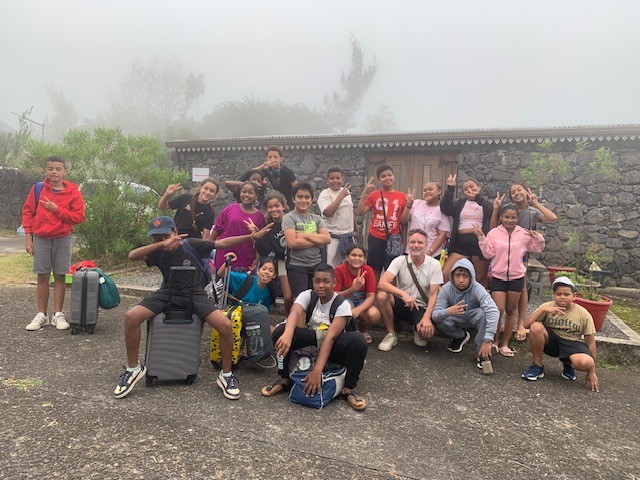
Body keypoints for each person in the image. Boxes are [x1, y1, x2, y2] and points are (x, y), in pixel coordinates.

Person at [112, 216, 272, 400]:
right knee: (131, 316)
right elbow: (132, 255)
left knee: (225, 325)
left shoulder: (191, 244)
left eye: (166, 236)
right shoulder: (157, 251)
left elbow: (222, 243)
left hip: (195, 294)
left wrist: (251, 237)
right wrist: (161, 244)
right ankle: (134, 369)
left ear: (175, 232)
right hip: (168, 292)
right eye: (157, 238)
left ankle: (226, 375)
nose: (163, 241)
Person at [260, 264, 368, 411]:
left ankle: (348, 389)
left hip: (334, 346)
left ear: (334, 283)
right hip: (312, 342)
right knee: (280, 331)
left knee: (358, 340)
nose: (321, 285)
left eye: (326, 281)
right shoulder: (308, 295)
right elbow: (294, 312)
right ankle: (285, 380)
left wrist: (317, 371)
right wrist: (288, 333)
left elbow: (330, 338)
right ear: (313, 282)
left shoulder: (342, 304)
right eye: (317, 281)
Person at [23, 155, 85, 331]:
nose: (54, 172)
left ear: (65, 171)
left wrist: (56, 209)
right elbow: (27, 212)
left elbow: (79, 217)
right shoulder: (38, 189)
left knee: (60, 276)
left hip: (62, 238)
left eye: (58, 169)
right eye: (50, 168)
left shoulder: (73, 192)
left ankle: (58, 314)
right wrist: (28, 238)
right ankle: (41, 315)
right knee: (42, 275)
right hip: (41, 238)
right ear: (46, 170)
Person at [474, 204, 545, 357]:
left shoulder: (523, 233)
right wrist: (481, 237)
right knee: (498, 310)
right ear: (501, 217)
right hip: (498, 276)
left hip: (516, 277)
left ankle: (505, 344)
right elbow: (487, 254)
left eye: (513, 217)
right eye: (507, 217)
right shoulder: (494, 233)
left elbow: (537, 248)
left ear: (517, 218)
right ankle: (494, 341)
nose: (510, 220)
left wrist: (537, 237)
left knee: (511, 310)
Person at [490, 183, 558, 341]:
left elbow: (552, 217)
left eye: (519, 190)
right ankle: (503, 324)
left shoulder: (532, 212)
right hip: (505, 251)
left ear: (527, 192)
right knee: (506, 295)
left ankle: (520, 322)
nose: (516, 193)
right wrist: (496, 209)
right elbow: (493, 228)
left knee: (521, 286)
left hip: (522, 251)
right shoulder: (509, 210)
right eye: (513, 192)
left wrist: (536, 203)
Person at [521, 276, 600, 393]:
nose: (562, 297)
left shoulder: (583, 314)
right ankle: (537, 366)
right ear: (553, 295)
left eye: (566, 294)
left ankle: (568, 364)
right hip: (552, 342)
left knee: (586, 362)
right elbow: (526, 325)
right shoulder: (547, 306)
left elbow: (590, 341)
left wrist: (591, 371)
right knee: (535, 327)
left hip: (572, 344)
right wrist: (543, 310)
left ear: (574, 296)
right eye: (559, 294)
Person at [376, 229, 443, 351]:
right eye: (412, 242)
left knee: (428, 333)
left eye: (420, 242)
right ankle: (391, 334)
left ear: (426, 245)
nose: (416, 245)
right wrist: (402, 293)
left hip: (420, 307)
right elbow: (382, 283)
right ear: (408, 244)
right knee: (381, 296)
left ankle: (417, 327)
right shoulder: (400, 260)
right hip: (402, 302)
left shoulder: (434, 264)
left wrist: (427, 317)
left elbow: (434, 294)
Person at [432, 258, 499, 366]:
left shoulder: (478, 288)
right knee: (440, 319)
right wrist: (449, 311)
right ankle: (460, 336)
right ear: (452, 275)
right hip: (455, 317)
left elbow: (494, 311)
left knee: (484, 313)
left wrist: (488, 340)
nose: (461, 280)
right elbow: (435, 315)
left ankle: (481, 350)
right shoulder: (446, 289)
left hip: (474, 317)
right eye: (457, 275)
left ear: (471, 277)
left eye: (465, 276)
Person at [356, 164, 409, 281]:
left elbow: (404, 221)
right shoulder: (374, 195)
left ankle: (388, 292)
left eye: (389, 175)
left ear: (394, 176)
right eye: (383, 176)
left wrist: (404, 243)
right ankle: (374, 292)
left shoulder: (402, 196)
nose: (387, 178)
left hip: (394, 239)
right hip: (375, 237)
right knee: (374, 270)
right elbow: (360, 211)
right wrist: (364, 192)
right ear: (379, 179)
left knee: (392, 271)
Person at [441, 174, 493, 286]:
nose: (469, 189)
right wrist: (450, 188)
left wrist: (477, 198)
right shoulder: (459, 203)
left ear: (479, 187)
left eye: (472, 187)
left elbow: (490, 211)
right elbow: (445, 209)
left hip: (479, 245)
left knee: (480, 278)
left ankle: (481, 297)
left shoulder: (485, 203)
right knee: (445, 274)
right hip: (461, 245)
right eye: (465, 188)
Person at [282, 182, 331, 299]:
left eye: (307, 197)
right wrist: (317, 240)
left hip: (317, 265)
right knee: (300, 300)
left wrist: (303, 235)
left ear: (312, 200)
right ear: (293, 199)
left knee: (316, 299)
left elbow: (327, 239)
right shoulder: (289, 217)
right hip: (297, 266)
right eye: (300, 197)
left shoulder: (317, 219)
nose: (303, 200)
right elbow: (292, 243)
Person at [207, 181, 265, 271]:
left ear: (256, 196)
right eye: (244, 191)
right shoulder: (230, 208)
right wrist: (206, 247)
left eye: (250, 193)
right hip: (225, 255)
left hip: (246, 257)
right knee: (222, 279)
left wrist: (257, 258)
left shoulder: (259, 216)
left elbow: (259, 240)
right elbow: (217, 230)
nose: (246, 195)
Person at [254, 191, 293, 314]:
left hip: (298, 259)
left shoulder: (292, 219)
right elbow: (263, 249)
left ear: (283, 206)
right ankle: (289, 319)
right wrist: (257, 235)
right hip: (282, 261)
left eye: (277, 206)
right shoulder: (269, 226)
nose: (274, 209)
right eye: (270, 207)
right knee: (287, 296)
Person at [334, 244, 381, 344]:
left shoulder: (368, 270)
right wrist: (353, 288)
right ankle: (349, 331)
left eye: (360, 256)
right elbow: (335, 295)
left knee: (374, 315)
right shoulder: (339, 270)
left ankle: (361, 326)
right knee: (346, 308)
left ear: (364, 259)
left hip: (362, 299)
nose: (357, 258)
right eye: (353, 255)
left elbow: (371, 296)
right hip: (347, 297)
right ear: (347, 257)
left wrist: (358, 310)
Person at [317, 165, 357, 268]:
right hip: (333, 238)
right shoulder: (325, 194)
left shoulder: (345, 191)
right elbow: (327, 213)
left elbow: (349, 212)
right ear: (327, 181)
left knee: (349, 268)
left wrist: (356, 231)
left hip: (348, 237)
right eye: (332, 178)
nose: (335, 181)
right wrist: (340, 197)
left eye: (338, 178)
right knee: (331, 268)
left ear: (342, 179)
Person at [405, 181, 450, 261]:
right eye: (425, 190)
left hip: (431, 254)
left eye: (430, 189)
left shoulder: (442, 210)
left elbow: (441, 235)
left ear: (439, 191)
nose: (427, 192)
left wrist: (430, 251)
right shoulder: (416, 203)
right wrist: (408, 206)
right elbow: (403, 221)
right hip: (411, 250)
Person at [254, 145, 297, 209]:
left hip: (290, 201)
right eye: (270, 157)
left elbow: (296, 188)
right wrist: (262, 167)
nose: (272, 159)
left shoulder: (288, 172)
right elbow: (249, 174)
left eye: (275, 157)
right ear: (266, 159)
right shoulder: (267, 169)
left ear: (281, 159)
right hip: (278, 200)